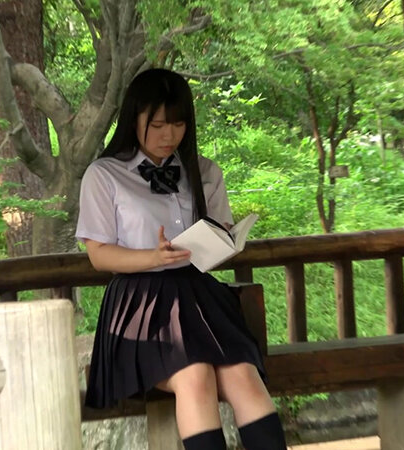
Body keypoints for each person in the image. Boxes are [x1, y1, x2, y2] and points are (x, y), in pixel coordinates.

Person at [76, 68, 287, 450]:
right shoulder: (105, 174)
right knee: (195, 375)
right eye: (157, 125)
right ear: (133, 119)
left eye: (177, 124)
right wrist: (153, 257)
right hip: (141, 305)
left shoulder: (204, 171)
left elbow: (215, 234)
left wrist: (222, 242)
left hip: (199, 296)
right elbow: (99, 255)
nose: (168, 135)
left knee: (243, 374)